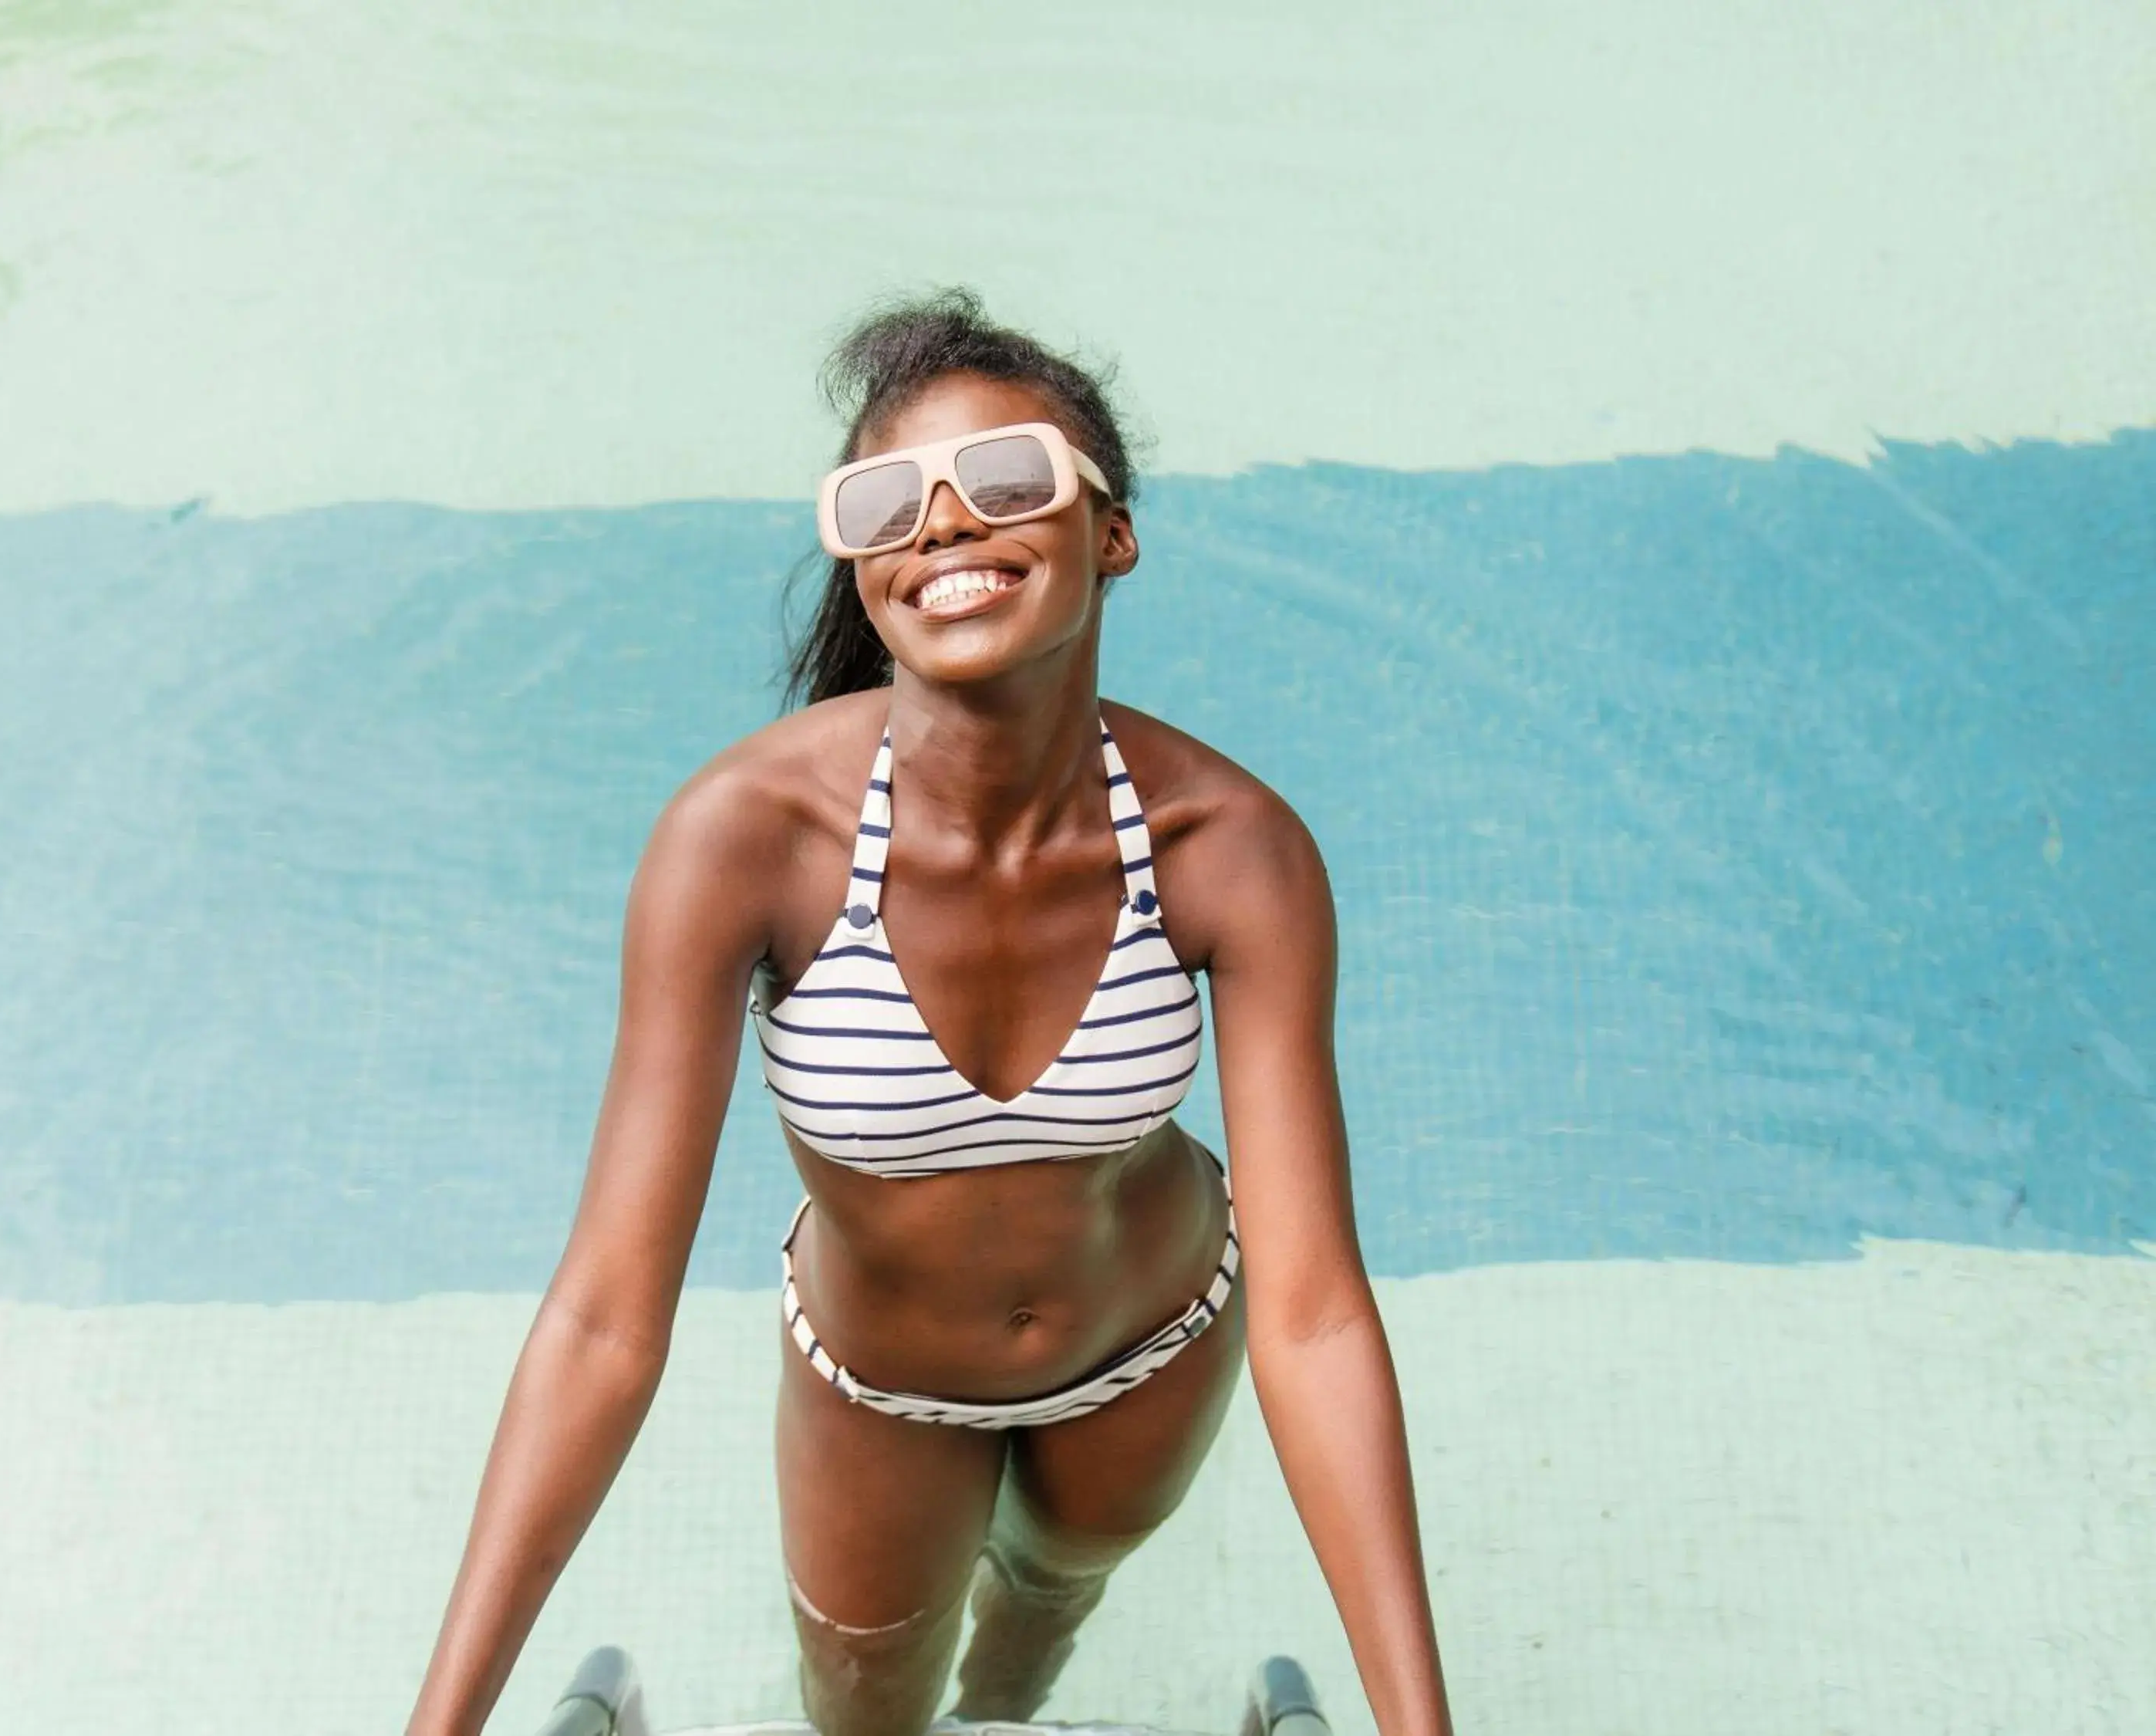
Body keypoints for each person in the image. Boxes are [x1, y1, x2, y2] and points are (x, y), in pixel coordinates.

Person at [407, 291, 1454, 1736]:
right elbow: (601, 1318)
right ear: (862, 560)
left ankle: (1015, 1698)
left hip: (1152, 1343)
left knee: (1033, 1632)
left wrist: (1424, 1726)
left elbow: (1319, 1312)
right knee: (864, 1707)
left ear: (1113, 533)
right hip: (879, 1388)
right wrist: (438, 1723)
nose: (945, 526)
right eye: (889, 500)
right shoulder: (745, 838)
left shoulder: (1231, 844)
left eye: (1009, 480)